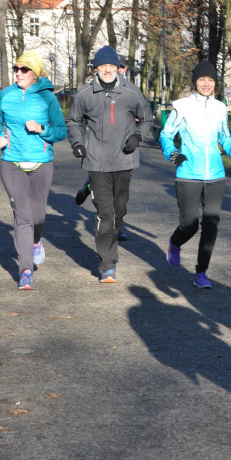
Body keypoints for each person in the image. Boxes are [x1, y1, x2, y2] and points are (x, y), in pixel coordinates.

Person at [66, 45, 152, 283]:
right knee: (105, 214)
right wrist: (77, 144)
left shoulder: (131, 93)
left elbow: (147, 119)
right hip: (96, 163)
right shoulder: (85, 94)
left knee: (119, 211)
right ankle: (107, 264)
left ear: (117, 68)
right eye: (102, 66)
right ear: (96, 68)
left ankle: (109, 247)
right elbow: (73, 122)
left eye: (111, 66)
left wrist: (137, 137)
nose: (107, 69)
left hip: (124, 161)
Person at [159, 60, 231, 288]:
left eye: (210, 80)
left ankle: (201, 273)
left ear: (215, 83)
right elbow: (166, 135)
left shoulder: (220, 108)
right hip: (188, 172)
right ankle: (175, 242)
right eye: (202, 79)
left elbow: (224, 137)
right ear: (195, 81)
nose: (206, 84)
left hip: (215, 174)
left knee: (211, 223)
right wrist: (173, 153)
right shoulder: (182, 106)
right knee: (189, 224)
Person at [0, 50, 67, 290]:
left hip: (41, 162)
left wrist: (42, 129)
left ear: (35, 74)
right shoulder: (5, 95)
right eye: (17, 69)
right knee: (22, 216)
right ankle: (25, 270)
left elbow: (61, 131)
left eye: (24, 69)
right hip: (11, 161)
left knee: (38, 216)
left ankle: (35, 242)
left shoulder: (48, 99)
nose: (19, 73)